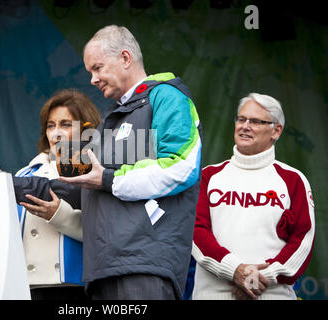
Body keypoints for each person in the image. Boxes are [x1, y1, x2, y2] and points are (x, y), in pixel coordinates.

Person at [57, 25, 203, 300]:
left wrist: (107, 179)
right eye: (90, 72)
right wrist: (8, 184)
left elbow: (180, 167)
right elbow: (86, 182)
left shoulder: (167, 97)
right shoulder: (115, 116)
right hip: (103, 270)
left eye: (97, 68)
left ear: (125, 58)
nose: (92, 79)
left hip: (145, 266)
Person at [192, 93, 315, 300]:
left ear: (276, 131)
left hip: (272, 294)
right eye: (241, 119)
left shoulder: (293, 180)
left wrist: (260, 278)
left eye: (256, 121)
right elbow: (195, 231)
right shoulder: (208, 176)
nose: (245, 126)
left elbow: (303, 240)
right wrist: (235, 271)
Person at [0, 89, 101, 300]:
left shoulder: (97, 171)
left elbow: (107, 230)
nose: (56, 133)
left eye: (65, 124)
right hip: (28, 288)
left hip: (77, 287)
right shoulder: (24, 174)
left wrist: (58, 215)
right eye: (50, 125)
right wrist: (3, 185)